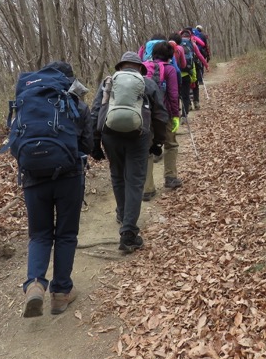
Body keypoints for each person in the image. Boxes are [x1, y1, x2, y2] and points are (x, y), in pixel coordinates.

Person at [18, 61, 92, 318]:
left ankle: (35, 283)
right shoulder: (77, 105)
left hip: (33, 178)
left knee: (39, 234)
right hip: (69, 177)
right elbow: (88, 144)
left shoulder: (27, 104)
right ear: (69, 81)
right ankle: (61, 293)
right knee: (66, 234)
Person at [90, 52, 168, 253]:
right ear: (139, 68)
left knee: (117, 176)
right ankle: (129, 233)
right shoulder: (148, 83)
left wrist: (95, 143)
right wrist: (158, 141)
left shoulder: (108, 82)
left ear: (121, 67)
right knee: (134, 180)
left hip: (110, 135)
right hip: (139, 136)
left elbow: (96, 111)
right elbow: (160, 115)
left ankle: (123, 214)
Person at [142, 41, 182, 200]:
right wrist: (175, 116)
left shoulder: (143, 67)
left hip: (144, 114)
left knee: (147, 149)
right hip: (163, 114)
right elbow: (173, 95)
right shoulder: (170, 69)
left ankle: (147, 188)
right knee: (170, 144)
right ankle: (170, 178)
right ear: (170, 55)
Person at [181, 28, 209, 111]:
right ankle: (196, 102)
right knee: (195, 84)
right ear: (190, 36)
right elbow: (200, 55)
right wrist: (206, 65)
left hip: (182, 68)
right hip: (192, 66)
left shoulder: (178, 44)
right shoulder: (192, 43)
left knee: (185, 88)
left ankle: (188, 104)